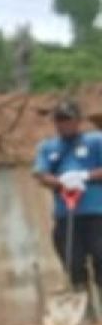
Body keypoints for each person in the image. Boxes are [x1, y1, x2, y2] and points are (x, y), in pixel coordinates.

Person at [32, 100, 102, 296]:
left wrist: (85, 176)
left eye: (67, 120)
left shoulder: (96, 141)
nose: (63, 124)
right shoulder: (48, 147)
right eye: (59, 120)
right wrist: (60, 183)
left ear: (78, 121)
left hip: (96, 213)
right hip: (66, 213)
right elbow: (40, 173)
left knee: (100, 256)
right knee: (72, 261)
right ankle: (83, 308)